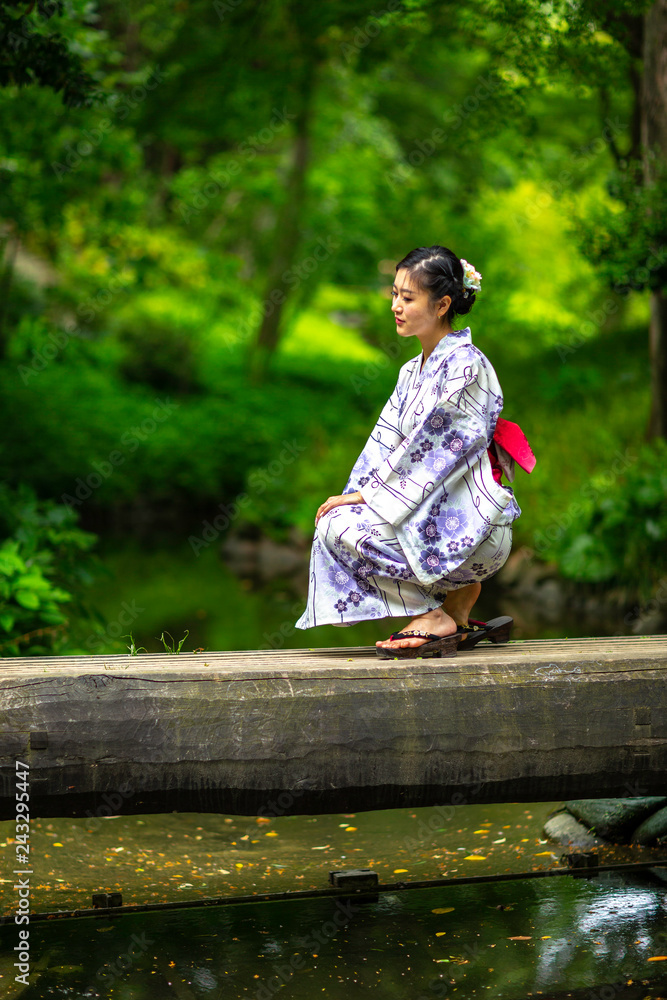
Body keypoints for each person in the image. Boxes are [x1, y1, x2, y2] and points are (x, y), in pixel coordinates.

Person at [294, 245, 523, 658]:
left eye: (408, 297)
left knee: (338, 528)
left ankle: (433, 614)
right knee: (336, 518)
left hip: (473, 527)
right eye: (395, 294)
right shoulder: (410, 371)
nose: (396, 306)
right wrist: (358, 493)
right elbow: (384, 444)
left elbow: (434, 451)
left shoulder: (466, 366)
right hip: (436, 521)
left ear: (443, 305)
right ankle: (456, 602)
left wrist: (367, 496)